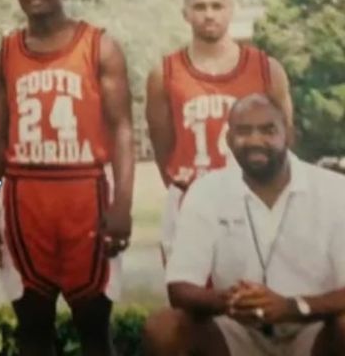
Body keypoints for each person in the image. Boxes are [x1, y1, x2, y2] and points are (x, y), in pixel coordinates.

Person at [0, 0, 135, 356]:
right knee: (32, 326)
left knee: (93, 325)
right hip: (23, 193)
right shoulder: (5, 54)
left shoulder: (99, 45)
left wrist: (123, 203)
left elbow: (121, 130)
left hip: (85, 190)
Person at [143, 93, 345, 355]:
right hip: (237, 328)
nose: (254, 140)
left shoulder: (335, 190)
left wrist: (291, 307)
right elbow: (180, 288)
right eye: (243, 131)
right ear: (228, 140)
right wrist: (234, 301)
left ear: (289, 135)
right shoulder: (206, 191)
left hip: (313, 326)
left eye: (268, 130)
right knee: (163, 328)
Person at [145, 0, 293, 263]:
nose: (209, 14)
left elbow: (284, 136)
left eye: (217, 6)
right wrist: (182, 183)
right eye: (200, 7)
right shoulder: (165, 72)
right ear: (185, 13)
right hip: (190, 195)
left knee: (256, 296)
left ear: (231, 10)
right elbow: (161, 141)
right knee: (189, 296)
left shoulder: (266, 68)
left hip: (251, 194)